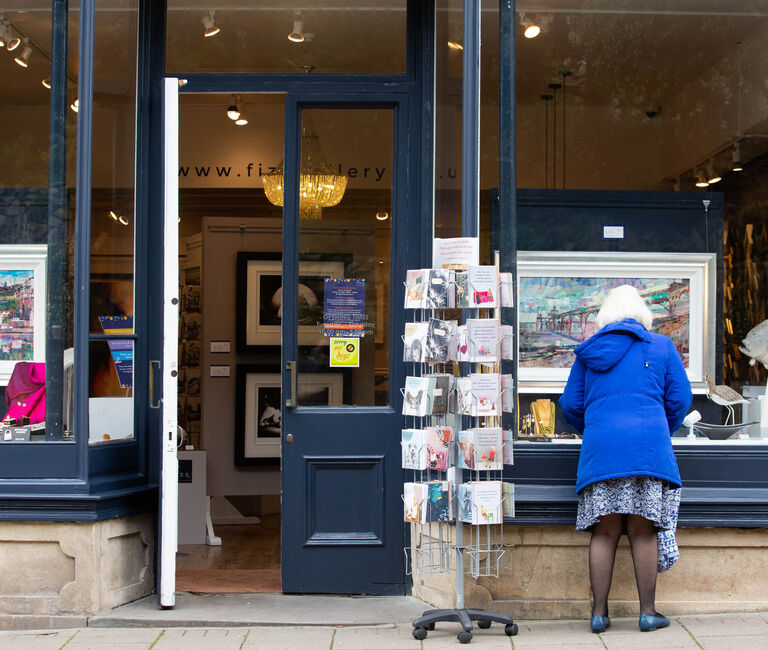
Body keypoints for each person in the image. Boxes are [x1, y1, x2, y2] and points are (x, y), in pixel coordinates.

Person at [559, 285, 692, 634]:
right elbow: (681, 399)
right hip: (648, 449)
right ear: (642, 314)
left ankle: (598, 614)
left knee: (604, 532)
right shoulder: (662, 346)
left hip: (602, 450)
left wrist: (595, 428)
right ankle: (647, 613)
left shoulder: (589, 351)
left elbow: (570, 404)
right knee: (644, 530)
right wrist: (659, 427)